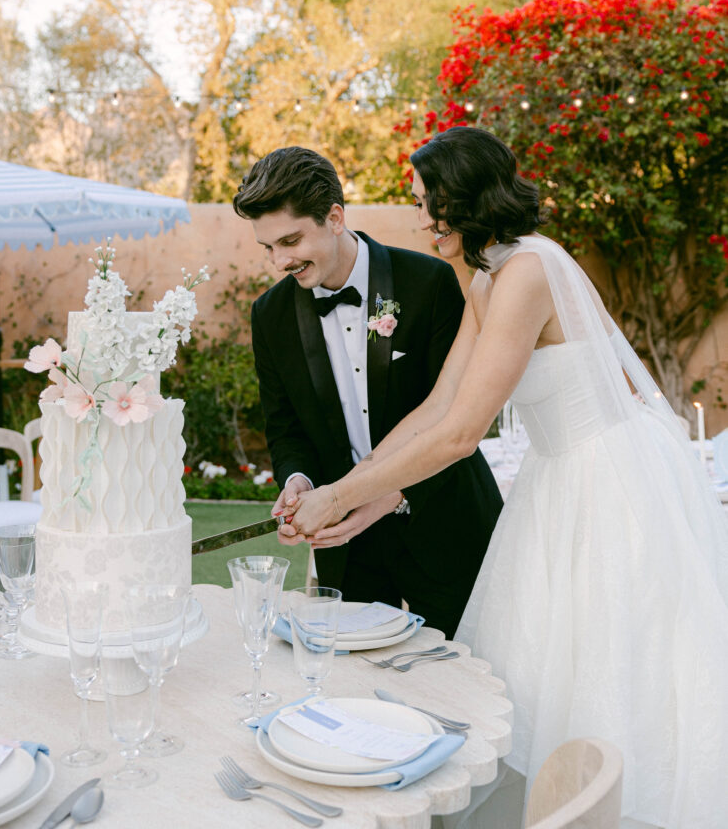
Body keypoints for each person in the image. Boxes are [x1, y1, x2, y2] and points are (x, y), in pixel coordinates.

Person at [286, 127, 728, 829]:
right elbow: (437, 403)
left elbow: (463, 433)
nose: (421, 217)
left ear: (462, 200)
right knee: (545, 664)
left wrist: (342, 494)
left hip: (609, 480)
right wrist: (358, 493)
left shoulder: (528, 270)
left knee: (610, 659)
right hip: (559, 477)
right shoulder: (492, 274)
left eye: (428, 201)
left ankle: (614, 804)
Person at [232, 146, 503, 638]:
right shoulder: (269, 316)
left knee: (466, 681)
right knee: (361, 696)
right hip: (348, 550)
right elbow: (285, 426)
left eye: (290, 240)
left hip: (445, 524)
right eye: (267, 247)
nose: (279, 261)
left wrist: (377, 494)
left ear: (334, 217)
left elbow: (453, 419)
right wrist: (299, 482)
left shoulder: (430, 281)